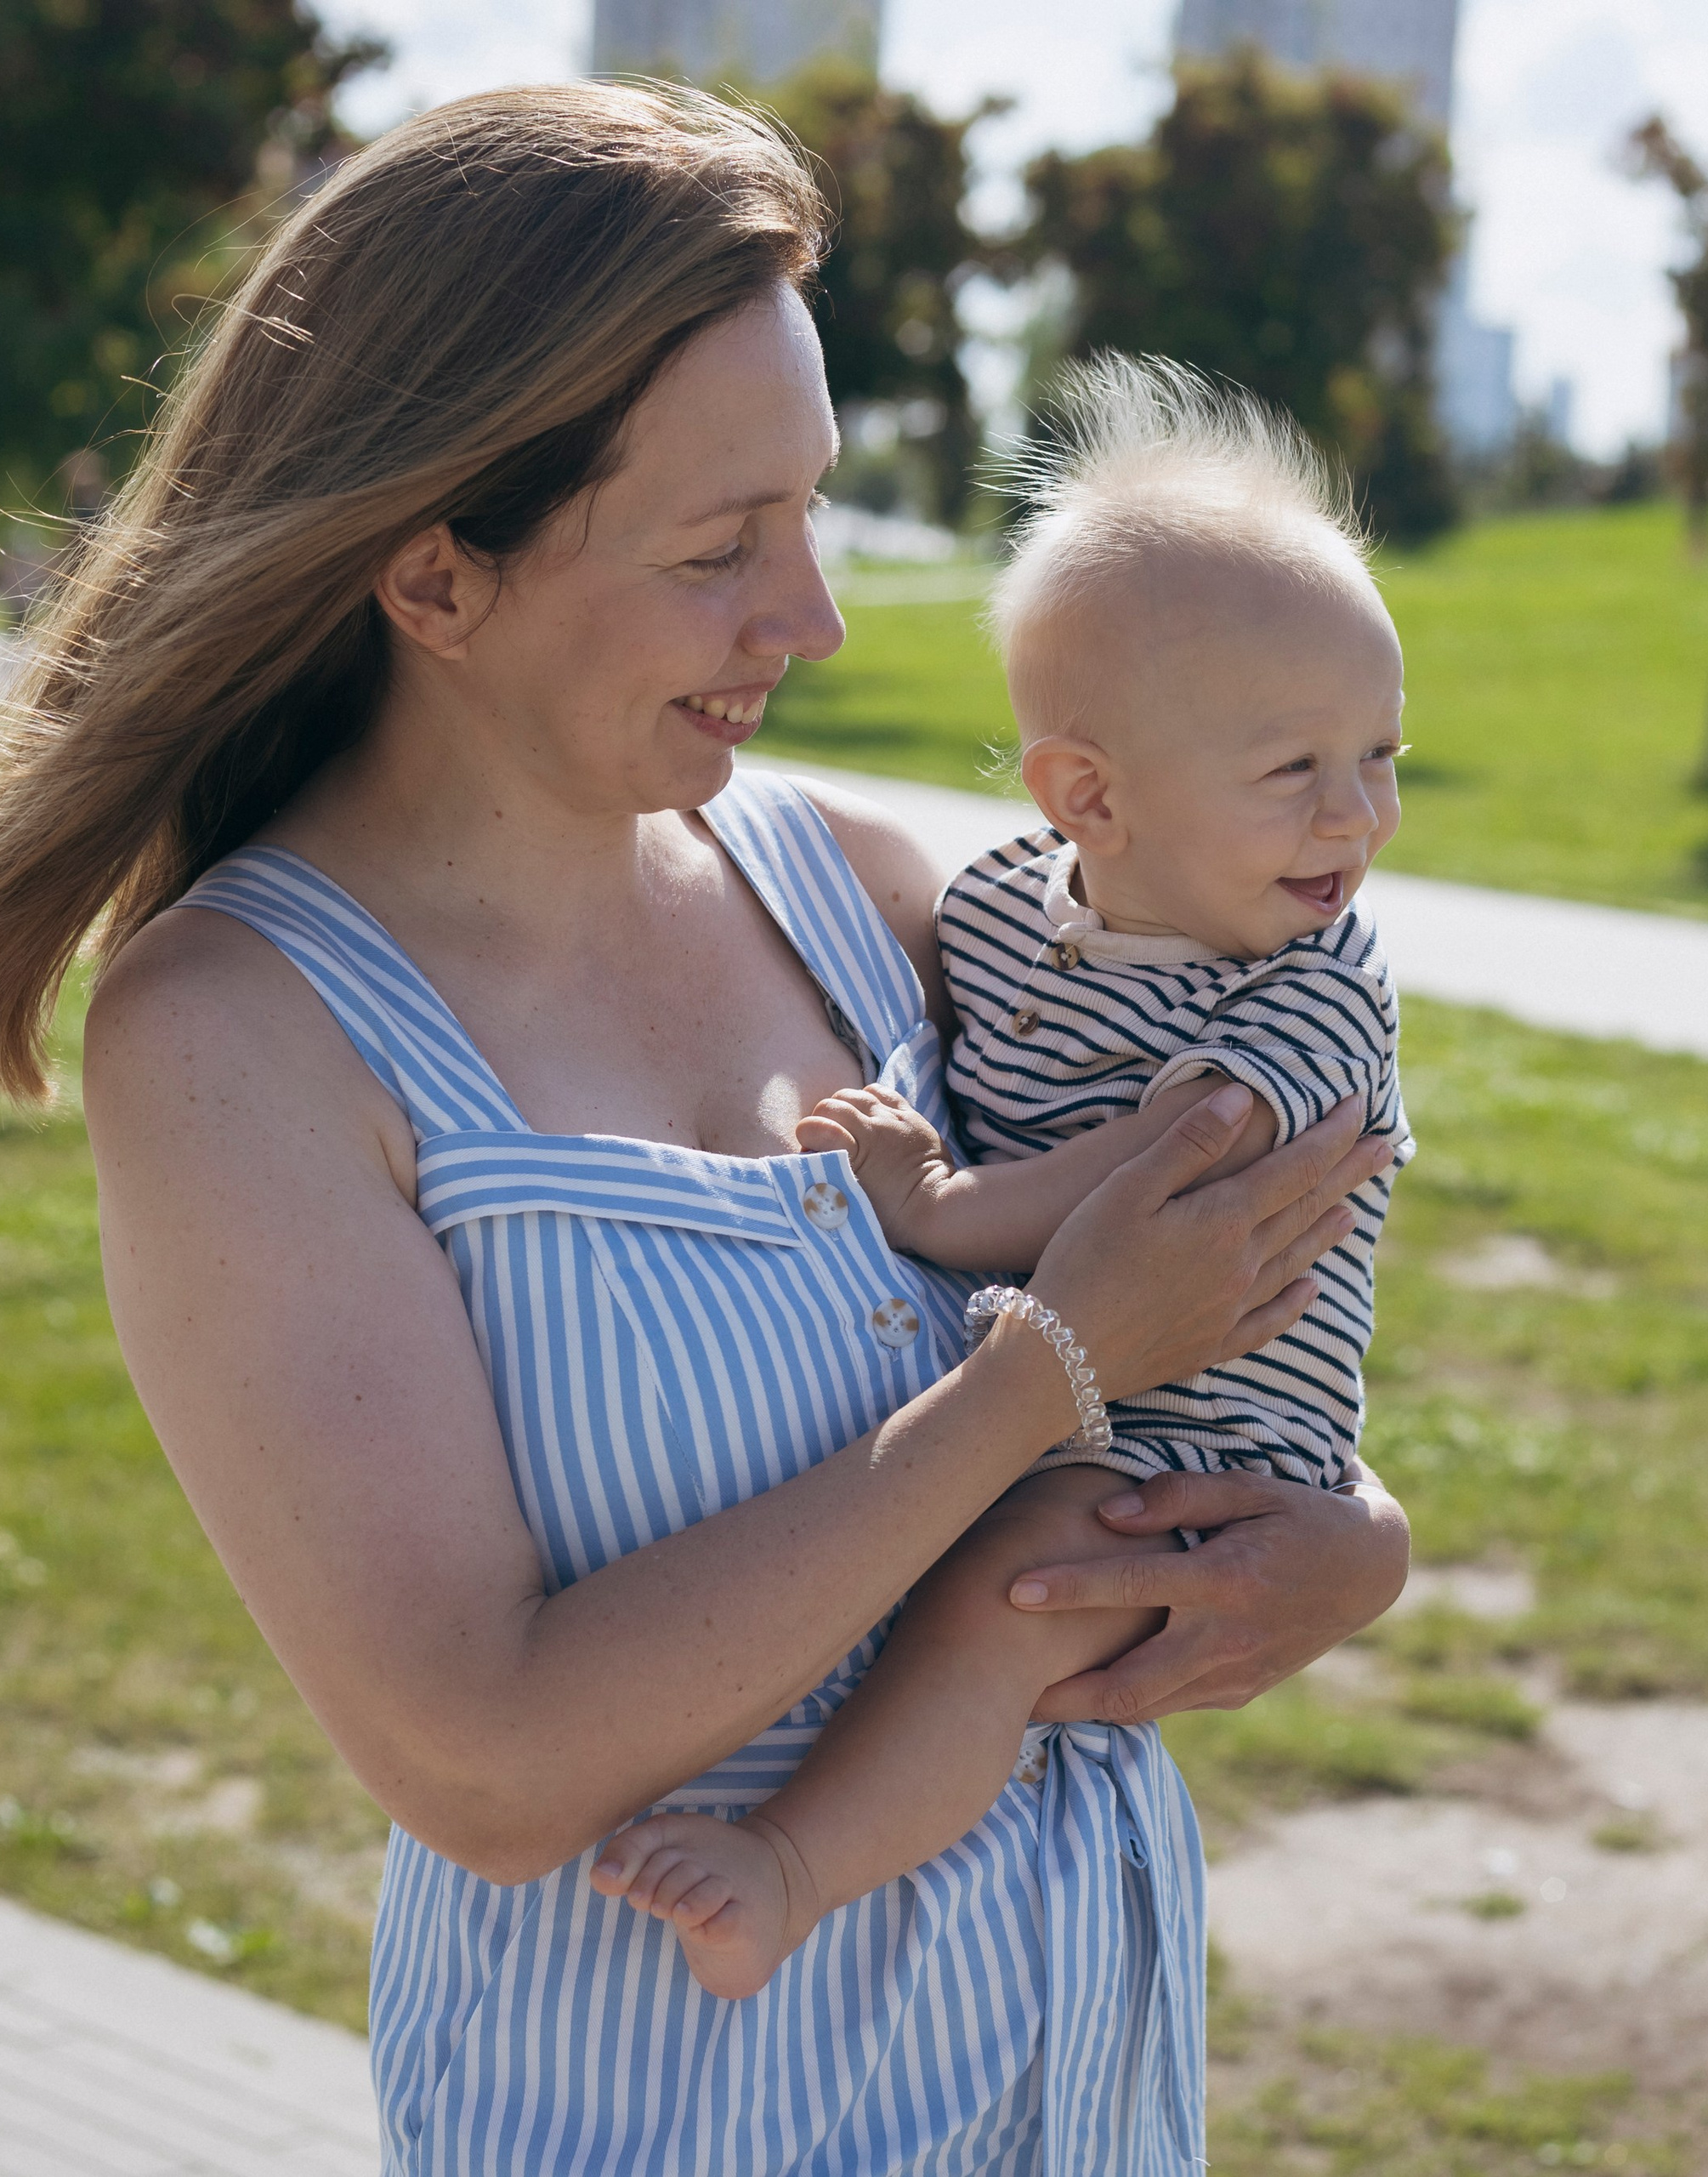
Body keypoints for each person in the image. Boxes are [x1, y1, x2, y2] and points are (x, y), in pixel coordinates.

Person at [0, 83, 1410, 2175]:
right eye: (717, 545)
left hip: (1078, 2095)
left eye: (812, 509)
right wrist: (1052, 1367)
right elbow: (482, 1757)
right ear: (433, 575)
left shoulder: (870, 888)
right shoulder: (243, 1033)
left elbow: (1213, 1327)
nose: (814, 615)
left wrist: (1353, 1547)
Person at [589, 357, 1416, 2004]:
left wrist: (940, 1206)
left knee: (1005, 1591)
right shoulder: (986, 914)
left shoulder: (1315, 985)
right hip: (1071, 1381)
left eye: (1380, 755)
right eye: (1295, 770)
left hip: (1202, 1440)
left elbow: (1158, 1184)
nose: (1359, 816)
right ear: (1087, 795)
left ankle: (791, 1863)